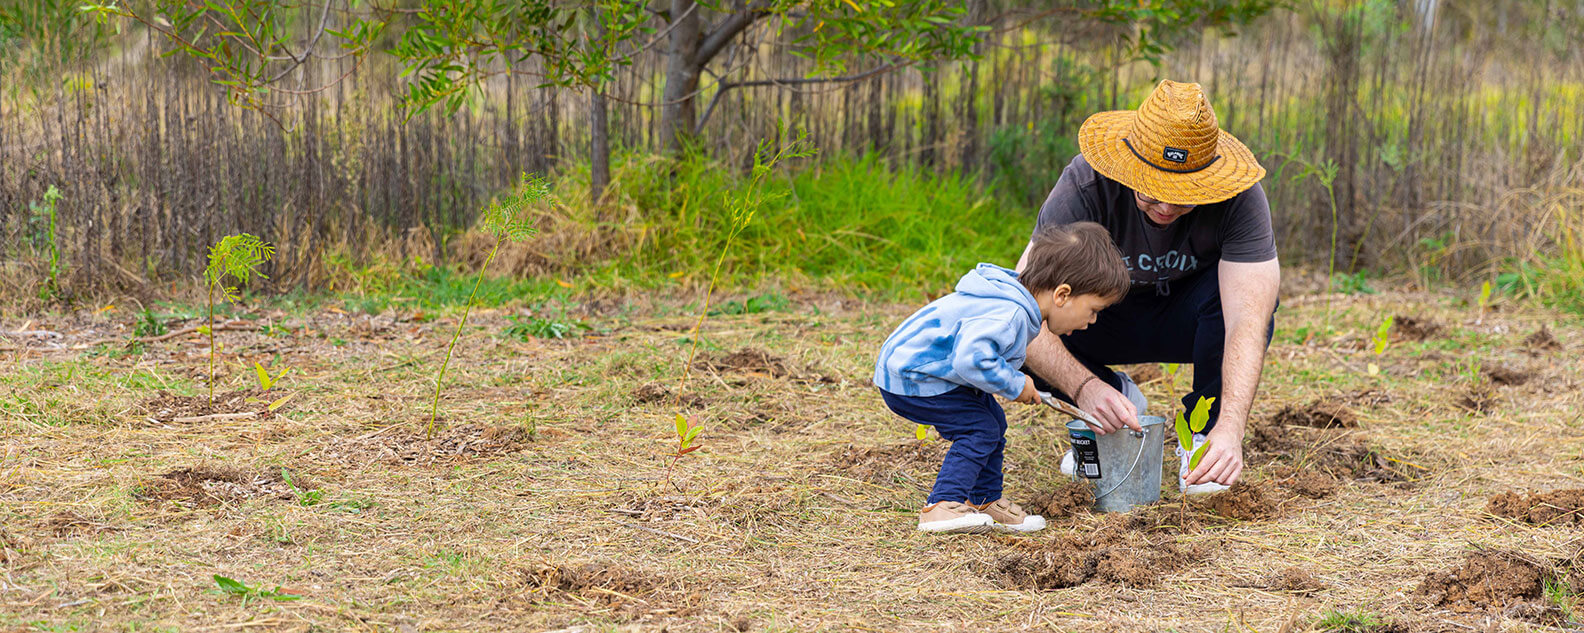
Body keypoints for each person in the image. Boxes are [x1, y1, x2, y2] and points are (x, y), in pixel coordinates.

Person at [1019, 80, 1280, 495]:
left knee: (1253, 301)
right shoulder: (1085, 186)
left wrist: (1232, 427)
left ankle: (1205, 442)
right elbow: (1024, 307)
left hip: (1193, 322)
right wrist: (1086, 388)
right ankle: (1112, 405)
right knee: (1020, 326)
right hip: (1102, 322)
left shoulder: (1240, 199)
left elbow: (1249, 320)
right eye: (1152, 191)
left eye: (1183, 196)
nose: (1165, 207)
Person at [874, 222, 1130, 533]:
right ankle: (942, 506)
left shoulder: (1017, 304)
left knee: (993, 422)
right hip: (914, 375)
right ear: (1062, 294)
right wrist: (1015, 383)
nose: (1092, 321)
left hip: (934, 372)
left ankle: (984, 500)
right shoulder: (1011, 313)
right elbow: (971, 358)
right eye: (1093, 310)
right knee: (979, 428)